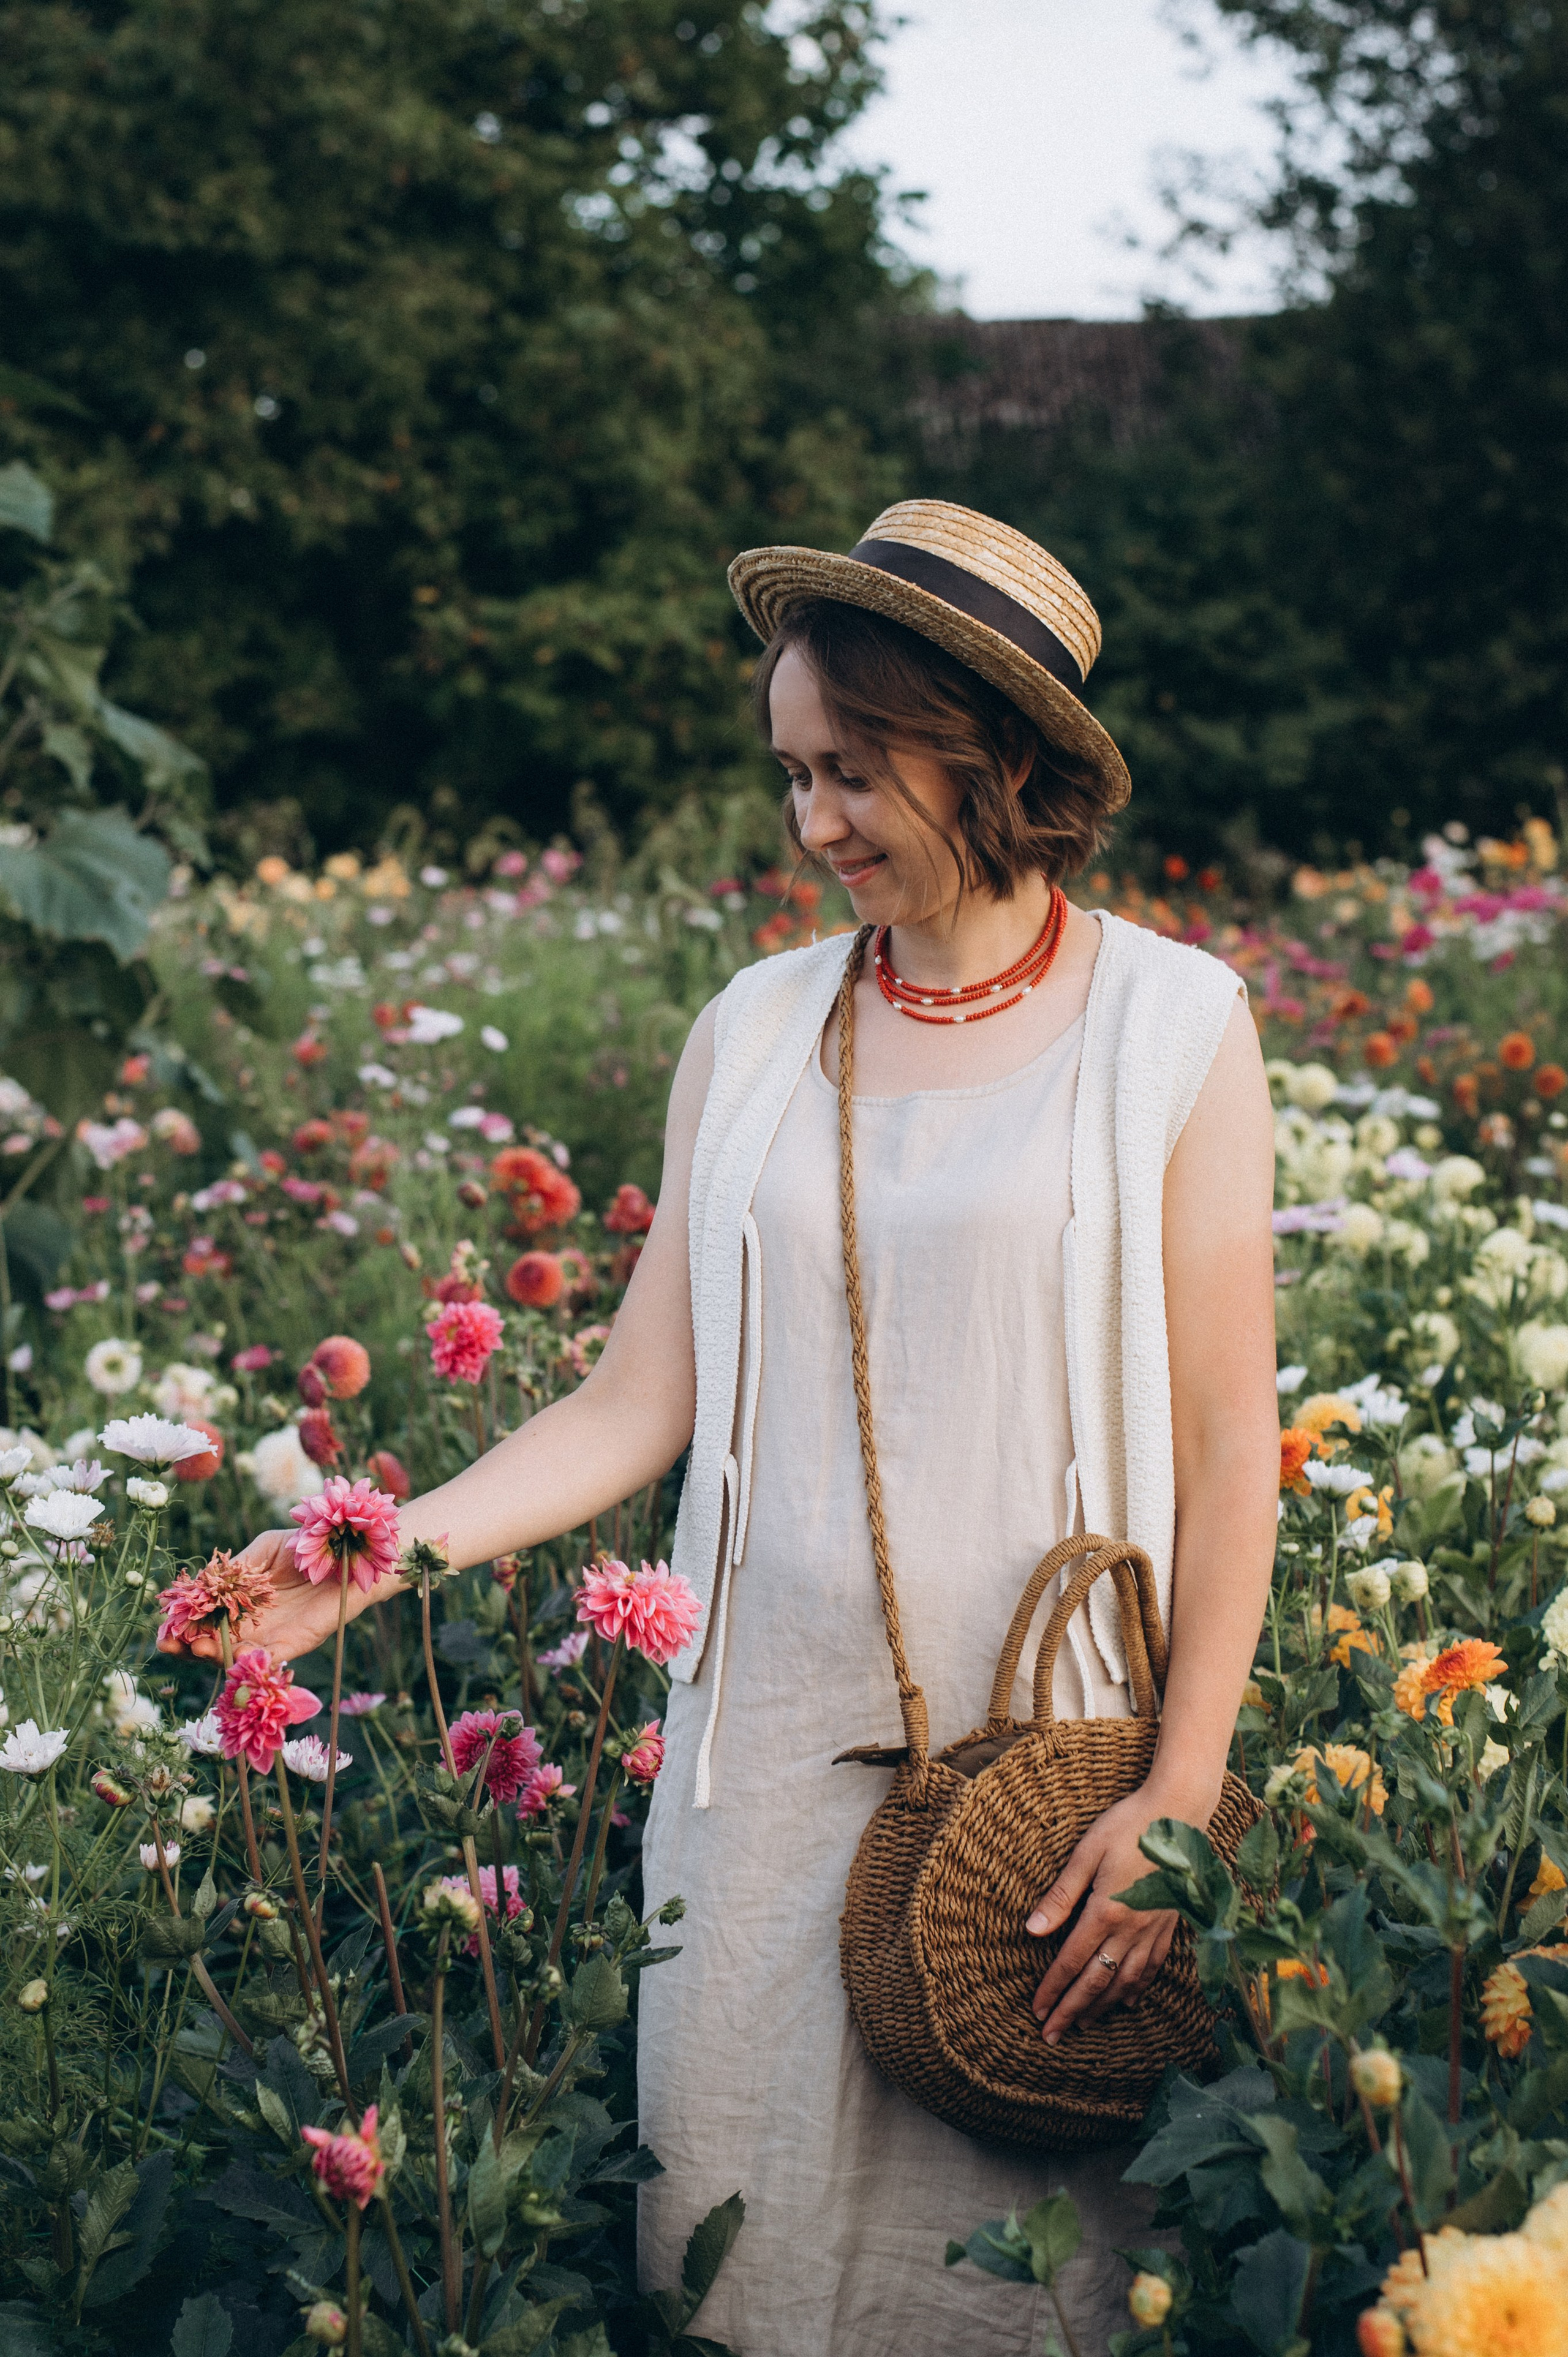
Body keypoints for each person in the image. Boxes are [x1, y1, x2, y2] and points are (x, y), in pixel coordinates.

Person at [192, 502, 1278, 2353]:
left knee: (1040, 2290)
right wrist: (362, 1569)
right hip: (767, 1774)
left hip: (1050, 1800)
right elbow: (640, 1400)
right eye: (793, 775)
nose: (815, 824)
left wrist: (1180, 1799)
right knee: (752, 2273)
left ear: (997, 753)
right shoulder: (758, 1028)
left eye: (856, 773)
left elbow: (1225, 1431)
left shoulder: (1174, 1025)